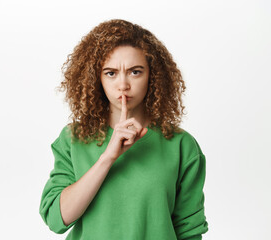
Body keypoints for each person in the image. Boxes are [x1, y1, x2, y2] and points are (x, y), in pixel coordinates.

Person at [39, 19, 208, 239]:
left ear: (153, 76)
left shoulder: (180, 145)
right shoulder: (74, 139)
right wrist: (108, 157)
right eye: (110, 73)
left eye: (135, 72)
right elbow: (57, 218)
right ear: (96, 79)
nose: (123, 85)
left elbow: (189, 230)